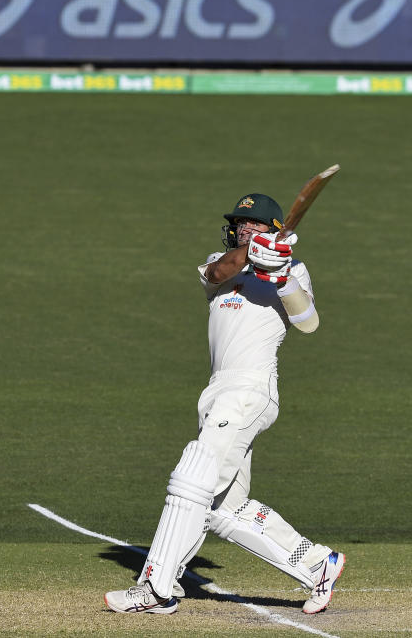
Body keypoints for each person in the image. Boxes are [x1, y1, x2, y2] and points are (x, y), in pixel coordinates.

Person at [104, 193, 346, 614]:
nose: (245, 228)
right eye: (240, 224)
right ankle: (316, 563)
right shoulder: (223, 260)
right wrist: (254, 254)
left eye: (254, 225)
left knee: (192, 480)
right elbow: (218, 272)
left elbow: (308, 323)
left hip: (250, 388)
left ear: (275, 229)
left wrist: (282, 273)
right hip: (218, 391)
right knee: (222, 508)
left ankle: (156, 587)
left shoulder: (294, 267)